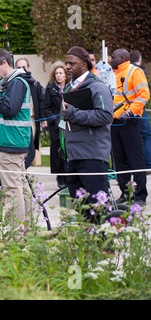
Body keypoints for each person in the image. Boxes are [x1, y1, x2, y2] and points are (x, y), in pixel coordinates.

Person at [0, 48, 33, 237]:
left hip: (12, 143)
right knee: (20, 188)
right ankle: (25, 232)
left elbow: (9, 109)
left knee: (12, 191)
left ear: (5, 63)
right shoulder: (14, 82)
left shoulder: (16, 83)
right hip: (13, 142)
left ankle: (16, 236)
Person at [61, 46, 114, 223]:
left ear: (84, 64)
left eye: (72, 63)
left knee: (98, 208)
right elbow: (67, 119)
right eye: (66, 63)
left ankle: (107, 248)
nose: (67, 67)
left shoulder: (98, 87)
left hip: (92, 156)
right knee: (82, 209)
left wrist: (73, 114)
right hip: (73, 156)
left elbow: (106, 115)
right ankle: (90, 248)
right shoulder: (69, 87)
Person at [110, 48, 150, 206]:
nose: (110, 59)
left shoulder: (135, 71)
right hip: (115, 121)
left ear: (123, 58)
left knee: (135, 159)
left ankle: (140, 195)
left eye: (113, 57)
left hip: (130, 120)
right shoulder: (114, 73)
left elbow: (144, 94)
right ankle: (125, 194)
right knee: (119, 160)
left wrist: (130, 111)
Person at [15, 57, 46, 168]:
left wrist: (43, 119)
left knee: (31, 148)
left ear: (28, 68)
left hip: (32, 118)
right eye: (18, 67)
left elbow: (41, 101)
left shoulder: (35, 84)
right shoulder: (14, 84)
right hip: (19, 120)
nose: (21, 70)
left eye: (23, 67)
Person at [43, 63, 69, 188]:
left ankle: (69, 176)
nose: (58, 76)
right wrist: (55, 119)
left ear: (65, 75)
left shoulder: (70, 87)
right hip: (56, 126)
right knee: (57, 152)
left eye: (61, 73)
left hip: (69, 125)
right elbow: (46, 107)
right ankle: (60, 177)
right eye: (56, 74)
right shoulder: (50, 89)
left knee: (68, 151)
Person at [130, 50, 151, 171]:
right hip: (138, 108)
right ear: (140, 59)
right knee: (146, 135)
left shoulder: (125, 71)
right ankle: (147, 164)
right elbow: (143, 94)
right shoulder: (139, 71)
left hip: (126, 109)